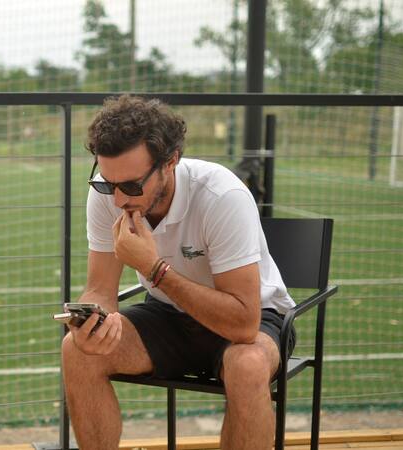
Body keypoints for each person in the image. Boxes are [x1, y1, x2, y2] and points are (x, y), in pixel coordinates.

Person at [61, 95, 296, 450]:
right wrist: (95, 324)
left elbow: (244, 323)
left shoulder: (222, 195)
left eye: (132, 186)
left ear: (170, 162)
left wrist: (154, 269)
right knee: (77, 351)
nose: (119, 200)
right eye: (108, 183)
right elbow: (100, 289)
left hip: (252, 319)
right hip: (169, 313)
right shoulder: (108, 195)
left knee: (246, 366)